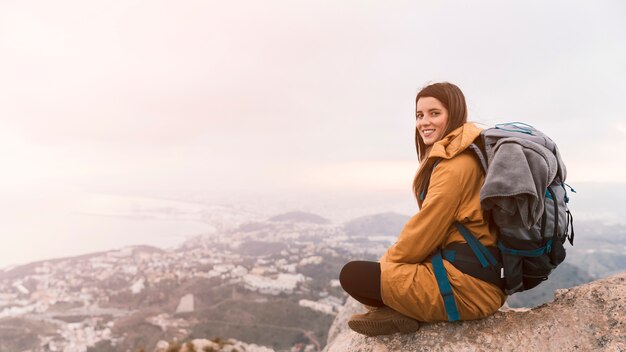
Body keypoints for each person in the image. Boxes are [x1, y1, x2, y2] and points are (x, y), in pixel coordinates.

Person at [339, 82, 507, 337]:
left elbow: (426, 230)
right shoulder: (465, 153)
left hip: (470, 286)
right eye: (419, 115)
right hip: (473, 273)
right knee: (376, 278)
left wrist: (387, 268)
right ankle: (399, 314)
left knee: (354, 275)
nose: (424, 122)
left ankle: (400, 311)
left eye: (434, 113)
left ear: (454, 114)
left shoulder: (455, 164)